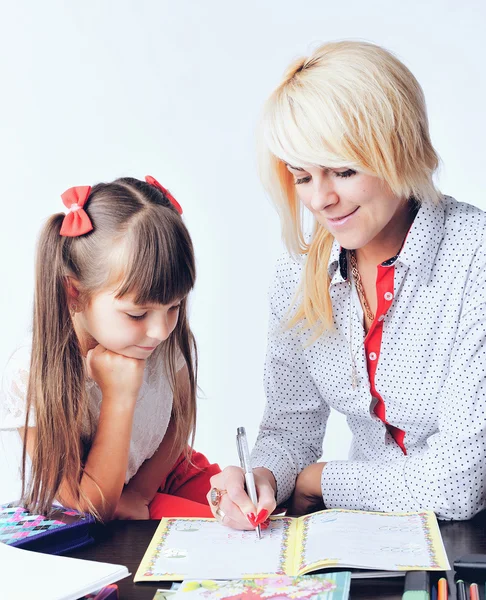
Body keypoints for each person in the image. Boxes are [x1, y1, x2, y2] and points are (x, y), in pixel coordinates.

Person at [208, 40, 486, 528]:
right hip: (375, 535)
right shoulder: (297, 272)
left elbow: (460, 483)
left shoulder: (475, 257)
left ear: (400, 150)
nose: (321, 200)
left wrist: (320, 480)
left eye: (343, 171)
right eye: (302, 176)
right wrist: (265, 478)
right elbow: (291, 427)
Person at [0, 176, 220, 521]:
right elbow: (90, 504)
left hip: (163, 474)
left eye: (174, 307)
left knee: (262, 521)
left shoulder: (157, 339)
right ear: (74, 292)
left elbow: (177, 425)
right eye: (137, 313)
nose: (161, 331)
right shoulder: (31, 374)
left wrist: (141, 493)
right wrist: (119, 395)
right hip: (94, 507)